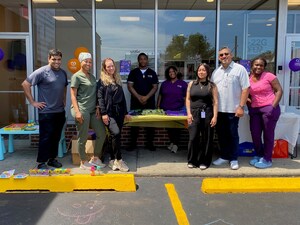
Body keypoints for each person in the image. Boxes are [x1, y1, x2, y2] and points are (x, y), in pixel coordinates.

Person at [22, 49, 67, 169]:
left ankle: (52, 159)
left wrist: (64, 99)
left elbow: (64, 86)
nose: (56, 62)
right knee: (46, 137)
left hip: (59, 111)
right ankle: (41, 162)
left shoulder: (63, 73)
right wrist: (33, 102)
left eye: (58, 59)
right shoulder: (42, 72)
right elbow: (25, 84)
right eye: (54, 59)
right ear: (49, 59)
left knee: (56, 137)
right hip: (46, 112)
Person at [211, 47, 250, 170]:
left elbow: (246, 88)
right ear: (218, 58)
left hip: (233, 110)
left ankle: (233, 158)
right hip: (219, 110)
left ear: (231, 55)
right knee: (221, 135)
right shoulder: (216, 72)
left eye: (226, 54)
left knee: (233, 134)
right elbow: (212, 90)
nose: (224, 56)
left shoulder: (240, 69)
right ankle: (224, 156)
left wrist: (241, 106)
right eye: (221, 55)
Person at [70, 52, 106, 170]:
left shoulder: (92, 77)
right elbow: (73, 95)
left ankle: (95, 158)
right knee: (83, 136)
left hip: (92, 110)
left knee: (101, 133)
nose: (88, 63)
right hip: (81, 109)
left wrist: (97, 107)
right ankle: (83, 160)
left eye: (90, 62)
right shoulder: (76, 76)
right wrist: (77, 112)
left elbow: (95, 94)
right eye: (86, 61)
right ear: (81, 62)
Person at [247, 57, 283, 169]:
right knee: (255, 134)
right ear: (252, 65)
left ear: (264, 67)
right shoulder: (248, 78)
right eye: (256, 65)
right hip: (254, 110)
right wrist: (248, 102)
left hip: (269, 108)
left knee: (268, 134)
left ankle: (267, 159)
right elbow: (246, 93)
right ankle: (259, 154)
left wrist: (273, 106)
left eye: (261, 65)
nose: (258, 67)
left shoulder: (269, 76)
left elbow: (279, 90)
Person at [97, 58, 130, 172]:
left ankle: (112, 159)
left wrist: (126, 112)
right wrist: (104, 113)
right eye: (108, 66)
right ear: (104, 68)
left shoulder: (117, 79)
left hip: (119, 112)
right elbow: (100, 98)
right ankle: (119, 160)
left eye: (112, 66)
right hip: (109, 113)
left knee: (113, 136)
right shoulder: (102, 81)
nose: (111, 68)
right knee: (115, 132)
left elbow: (123, 98)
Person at [186, 63, 218, 170]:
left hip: (207, 113)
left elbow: (215, 102)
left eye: (204, 70)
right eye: (199, 70)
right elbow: (188, 99)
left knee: (207, 138)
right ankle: (192, 160)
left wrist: (215, 117)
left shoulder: (212, 85)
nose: (201, 72)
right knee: (193, 137)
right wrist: (189, 114)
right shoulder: (191, 84)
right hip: (194, 113)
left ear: (207, 72)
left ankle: (204, 161)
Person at [127, 53, 159, 151]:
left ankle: (149, 144)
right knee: (134, 124)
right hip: (136, 102)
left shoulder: (152, 73)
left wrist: (146, 97)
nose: (143, 61)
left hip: (149, 102)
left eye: (145, 59)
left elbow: (155, 87)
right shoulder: (133, 72)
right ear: (138, 60)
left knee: (150, 123)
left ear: (147, 60)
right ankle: (132, 144)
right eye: (141, 59)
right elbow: (130, 86)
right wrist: (139, 97)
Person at [157, 66, 187, 153]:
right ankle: (172, 142)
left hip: (178, 110)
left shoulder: (183, 84)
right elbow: (160, 96)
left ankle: (176, 144)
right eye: (169, 72)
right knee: (169, 128)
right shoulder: (164, 84)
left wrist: (185, 109)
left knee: (177, 128)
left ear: (176, 72)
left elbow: (186, 98)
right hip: (166, 110)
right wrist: (158, 106)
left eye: (173, 71)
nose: (171, 73)